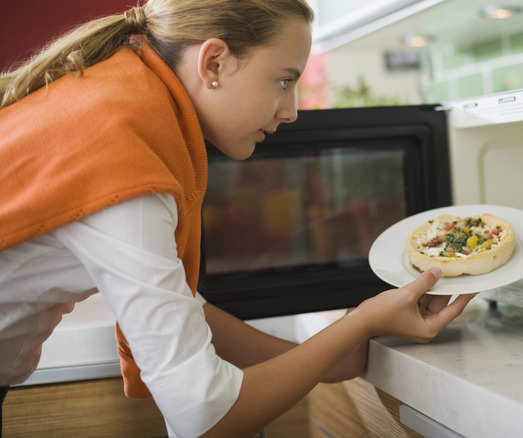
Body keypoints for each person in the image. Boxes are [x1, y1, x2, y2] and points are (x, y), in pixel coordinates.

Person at [0, 0, 475, 436]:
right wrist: (362, 322)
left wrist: (337, 349)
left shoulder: (125, 100)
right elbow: (206, 419)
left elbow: (186, 307)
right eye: (284, 80)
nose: (291, 111)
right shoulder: (122, 154)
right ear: (214, 63)